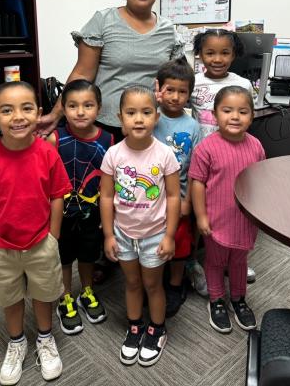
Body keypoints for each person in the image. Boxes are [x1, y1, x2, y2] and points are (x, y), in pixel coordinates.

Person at [0, 81, 72, 386]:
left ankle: (45, 339)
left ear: (38, 113)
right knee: (9, 296)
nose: (18, 117)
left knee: (44, 292)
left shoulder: (47, 153)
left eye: (26, 108)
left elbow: (57, 195)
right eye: (7, 110)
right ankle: (16, 341)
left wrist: (53, 237)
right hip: (1, 246)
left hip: (41, 242)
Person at [37, 0, 184, 141]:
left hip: (148, 126)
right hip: (105, 127)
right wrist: (55, 115)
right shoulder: (104, 21)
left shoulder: (168, 30)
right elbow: (82, 74)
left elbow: (174, 79)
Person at [100, 85, 180, 366]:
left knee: (153, 285)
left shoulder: (165, 154)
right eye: (131, 113)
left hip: (154, 234)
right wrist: (109, 234)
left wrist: (170, 235)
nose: (138, 119)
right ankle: (134, 326)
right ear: (120, 117)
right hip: (123, 234)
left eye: (146, 112)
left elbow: (173, 196)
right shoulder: (113, 155)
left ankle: (157, 329)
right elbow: (107, 196)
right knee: (132, 283)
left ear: (156, 117)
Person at [189, 85, 265, 334]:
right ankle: (217, 300)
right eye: (227, 110)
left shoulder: (256, 146)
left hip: (244, 220)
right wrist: (201, 216)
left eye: (242, 111)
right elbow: (197, 184)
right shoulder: (206, 148)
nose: (235, 116)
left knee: (239, 261)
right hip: (216, 219)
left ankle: (239, 299)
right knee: (215, 261)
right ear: (214, 114)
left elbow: (261, 180)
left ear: (251, 116)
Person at [190, 28, 257, 284]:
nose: (217, 59)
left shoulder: (242, 84)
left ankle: (235, 259)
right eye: (210, 53)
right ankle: (193, 263)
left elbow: (247, 116)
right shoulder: (194, 82)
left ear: (234, 54)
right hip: (200, 158)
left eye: (224, 53)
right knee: (199, 213)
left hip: (230, 158)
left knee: (232, 209)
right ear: (200, 54)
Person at [47, 79, 114, 335]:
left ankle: (87, 291)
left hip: (92, 211)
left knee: (88, 254)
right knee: (63, 257)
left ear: (99, 108)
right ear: (63, 108)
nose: (80, 111)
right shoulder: (55, 139)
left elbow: (110, 181)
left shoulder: (108, 139)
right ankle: (65, 297)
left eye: (88, 105)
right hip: (60, 212)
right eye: (73, 106)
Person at [153, 58, 205, 317]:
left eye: (182, 91)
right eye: (169, 90)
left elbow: (195, 166)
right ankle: (153, 284)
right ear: (158, 89)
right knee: (153, 242)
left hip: (180, 197)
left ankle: (175, 284)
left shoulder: (192, 126)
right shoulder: (150, 118)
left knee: (180, 244)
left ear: (189, 94)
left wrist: (187, 201)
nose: (175, 96)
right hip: (150, 199)